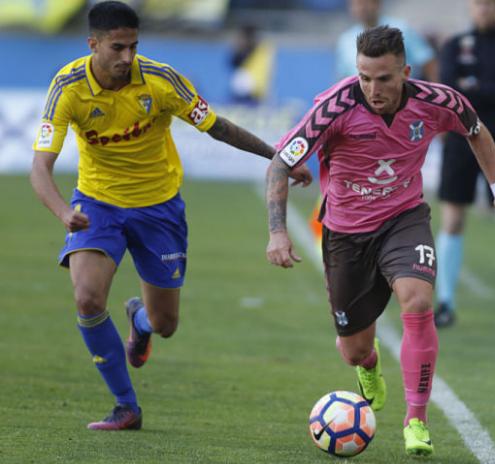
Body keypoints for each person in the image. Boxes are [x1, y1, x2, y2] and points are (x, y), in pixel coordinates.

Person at [30, 1, 311, 431]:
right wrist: (64, 211)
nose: (128, 57)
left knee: (165, 323)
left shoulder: (161, 80)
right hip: (97, 204)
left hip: (159, 207)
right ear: (93, 45)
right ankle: (126, 406)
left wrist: (280, 158)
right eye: (118, 48)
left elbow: (218, 126)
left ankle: (139, 321)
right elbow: (40, 169)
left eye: (134, 46)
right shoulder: (67, 86)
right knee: (87, 297)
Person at [265, 25, 495, 456]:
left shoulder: (439, 101)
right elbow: (280, 163)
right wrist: (277, 231)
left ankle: (416, 421)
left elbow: (477, 132)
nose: (372, 88)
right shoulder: (334, 107)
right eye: (364, 77)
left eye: (383, 78)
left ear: (405, 71)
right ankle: (369, 366)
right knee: (353, 349)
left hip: (404, 219)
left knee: (418, 302)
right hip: (346, 234)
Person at [435, 0, 495, 332]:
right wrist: (494, 88)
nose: (484, 10)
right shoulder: (453, 46)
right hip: (460, 142)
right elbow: (449, 90)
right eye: (478, 4)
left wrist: (475, 87)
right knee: (452, 219)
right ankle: (446, 302)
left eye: (489, 4)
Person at [335, 0, 438, 82]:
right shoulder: (345, 40)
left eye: (366, 2)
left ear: (377, 3)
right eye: (357, 3)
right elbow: (343, 77)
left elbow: (427, 61)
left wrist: (436, 95)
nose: (362, 8)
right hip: (362, 103)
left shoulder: (402, 29)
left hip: (404, 97)